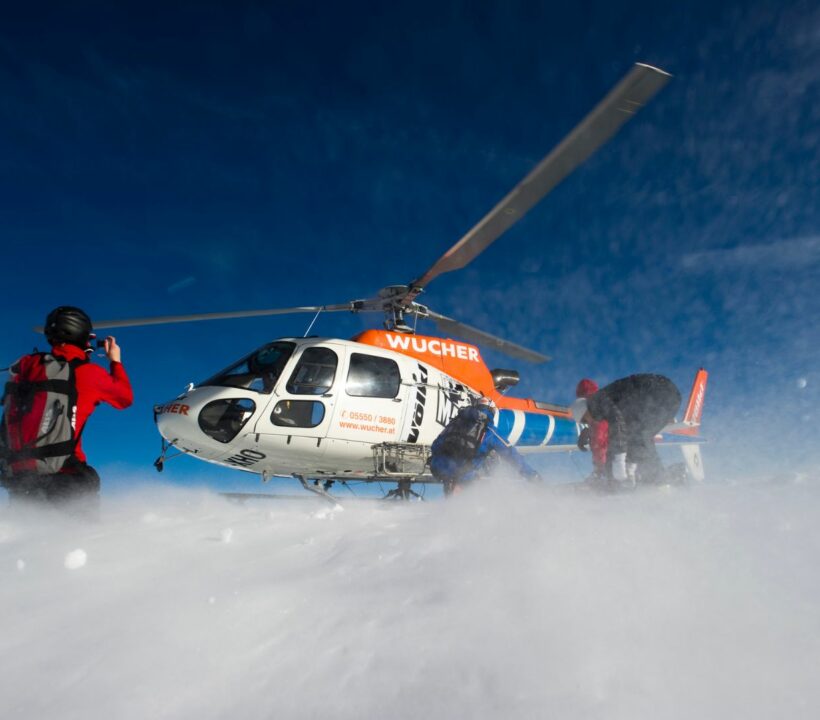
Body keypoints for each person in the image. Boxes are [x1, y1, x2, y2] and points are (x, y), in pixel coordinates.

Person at [0, 306, 133, 515]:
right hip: (66, 476)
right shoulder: (88, 373)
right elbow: (124, 399)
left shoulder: (27, 367)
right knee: (77, 541)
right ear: (82, 335)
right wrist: (115, 361)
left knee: (27, 540)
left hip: (19, 479)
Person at [570, 374, 681, 486]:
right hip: (665, 394)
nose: (588, 423)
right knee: (637, 434)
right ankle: (659, 478)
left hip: (662, 394)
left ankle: (658, 483)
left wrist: (618, 462)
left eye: (584, 420)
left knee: (638, 435)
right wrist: (626, 466)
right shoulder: (602, 403)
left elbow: (616, 423)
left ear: (584, 411)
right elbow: (619, 430)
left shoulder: (598, 401)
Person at [430, 397, 540, 495]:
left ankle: (452, 490)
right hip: (463, 476)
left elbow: (435, 445)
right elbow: (512, 456)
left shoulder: (455, 423)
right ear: (492, 411)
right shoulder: (490, 431)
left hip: (439, 469)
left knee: (453, 499)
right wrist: (532, 475)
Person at [575, 378, 610, 485]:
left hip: (610, 466)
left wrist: (601, 469)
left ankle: (602, 474)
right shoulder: (600, 409)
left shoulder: (598, 414)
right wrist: (587, 431)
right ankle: (600, 473)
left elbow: (600, 442)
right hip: (612, 462)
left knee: (598, 441)